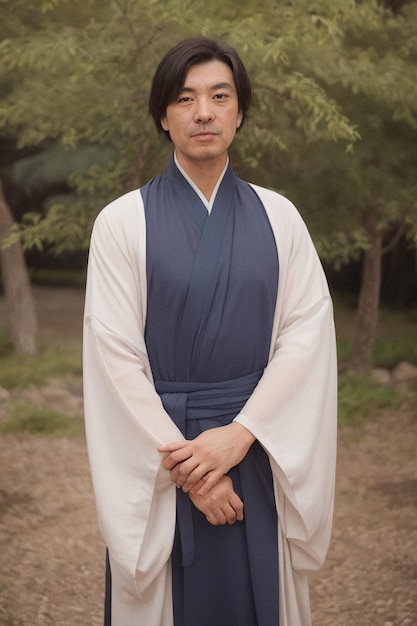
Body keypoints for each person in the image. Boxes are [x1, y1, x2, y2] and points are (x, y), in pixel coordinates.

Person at [83, 36, 337, 626]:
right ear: (163, 117)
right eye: (185, 98)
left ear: (239, 111)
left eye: (219, 96)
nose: (204, 112)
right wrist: (191, 472)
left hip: (256, 451)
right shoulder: (121, 223)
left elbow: (306, 336)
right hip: (166, 456)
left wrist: (241, 435)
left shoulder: (281, 217)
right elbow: (114, 360)